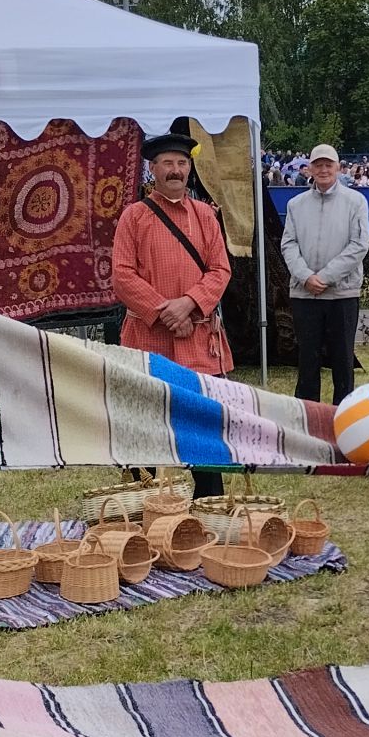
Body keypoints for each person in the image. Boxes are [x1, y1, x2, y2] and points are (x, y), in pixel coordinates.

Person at [113, 122, 233, 497]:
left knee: (200, 421)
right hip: (149, 337)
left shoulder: (206, 216)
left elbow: (221, 269)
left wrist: (189, 304)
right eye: (168, 163)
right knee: (144, 418)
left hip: (198, 337)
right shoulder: (134, 216)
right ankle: (145, 506)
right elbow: (121, 275)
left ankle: (209, 503)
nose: (176, 171)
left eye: (181, 163)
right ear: (153, 169)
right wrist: (165, 312)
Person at [280, 142, 369, 404]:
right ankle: (306, 416)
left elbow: (359, 245)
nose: (323, 169)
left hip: (342, 293)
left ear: (338, 168)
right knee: (307, 359)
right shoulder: (296, 205)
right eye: (317, 164)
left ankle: (345, 417)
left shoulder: (356, 202)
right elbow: (288, 243)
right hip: (304, 294)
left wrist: (326, 277)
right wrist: (305, 277)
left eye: (328, 164)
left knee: (343, 361)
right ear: (309, 169)